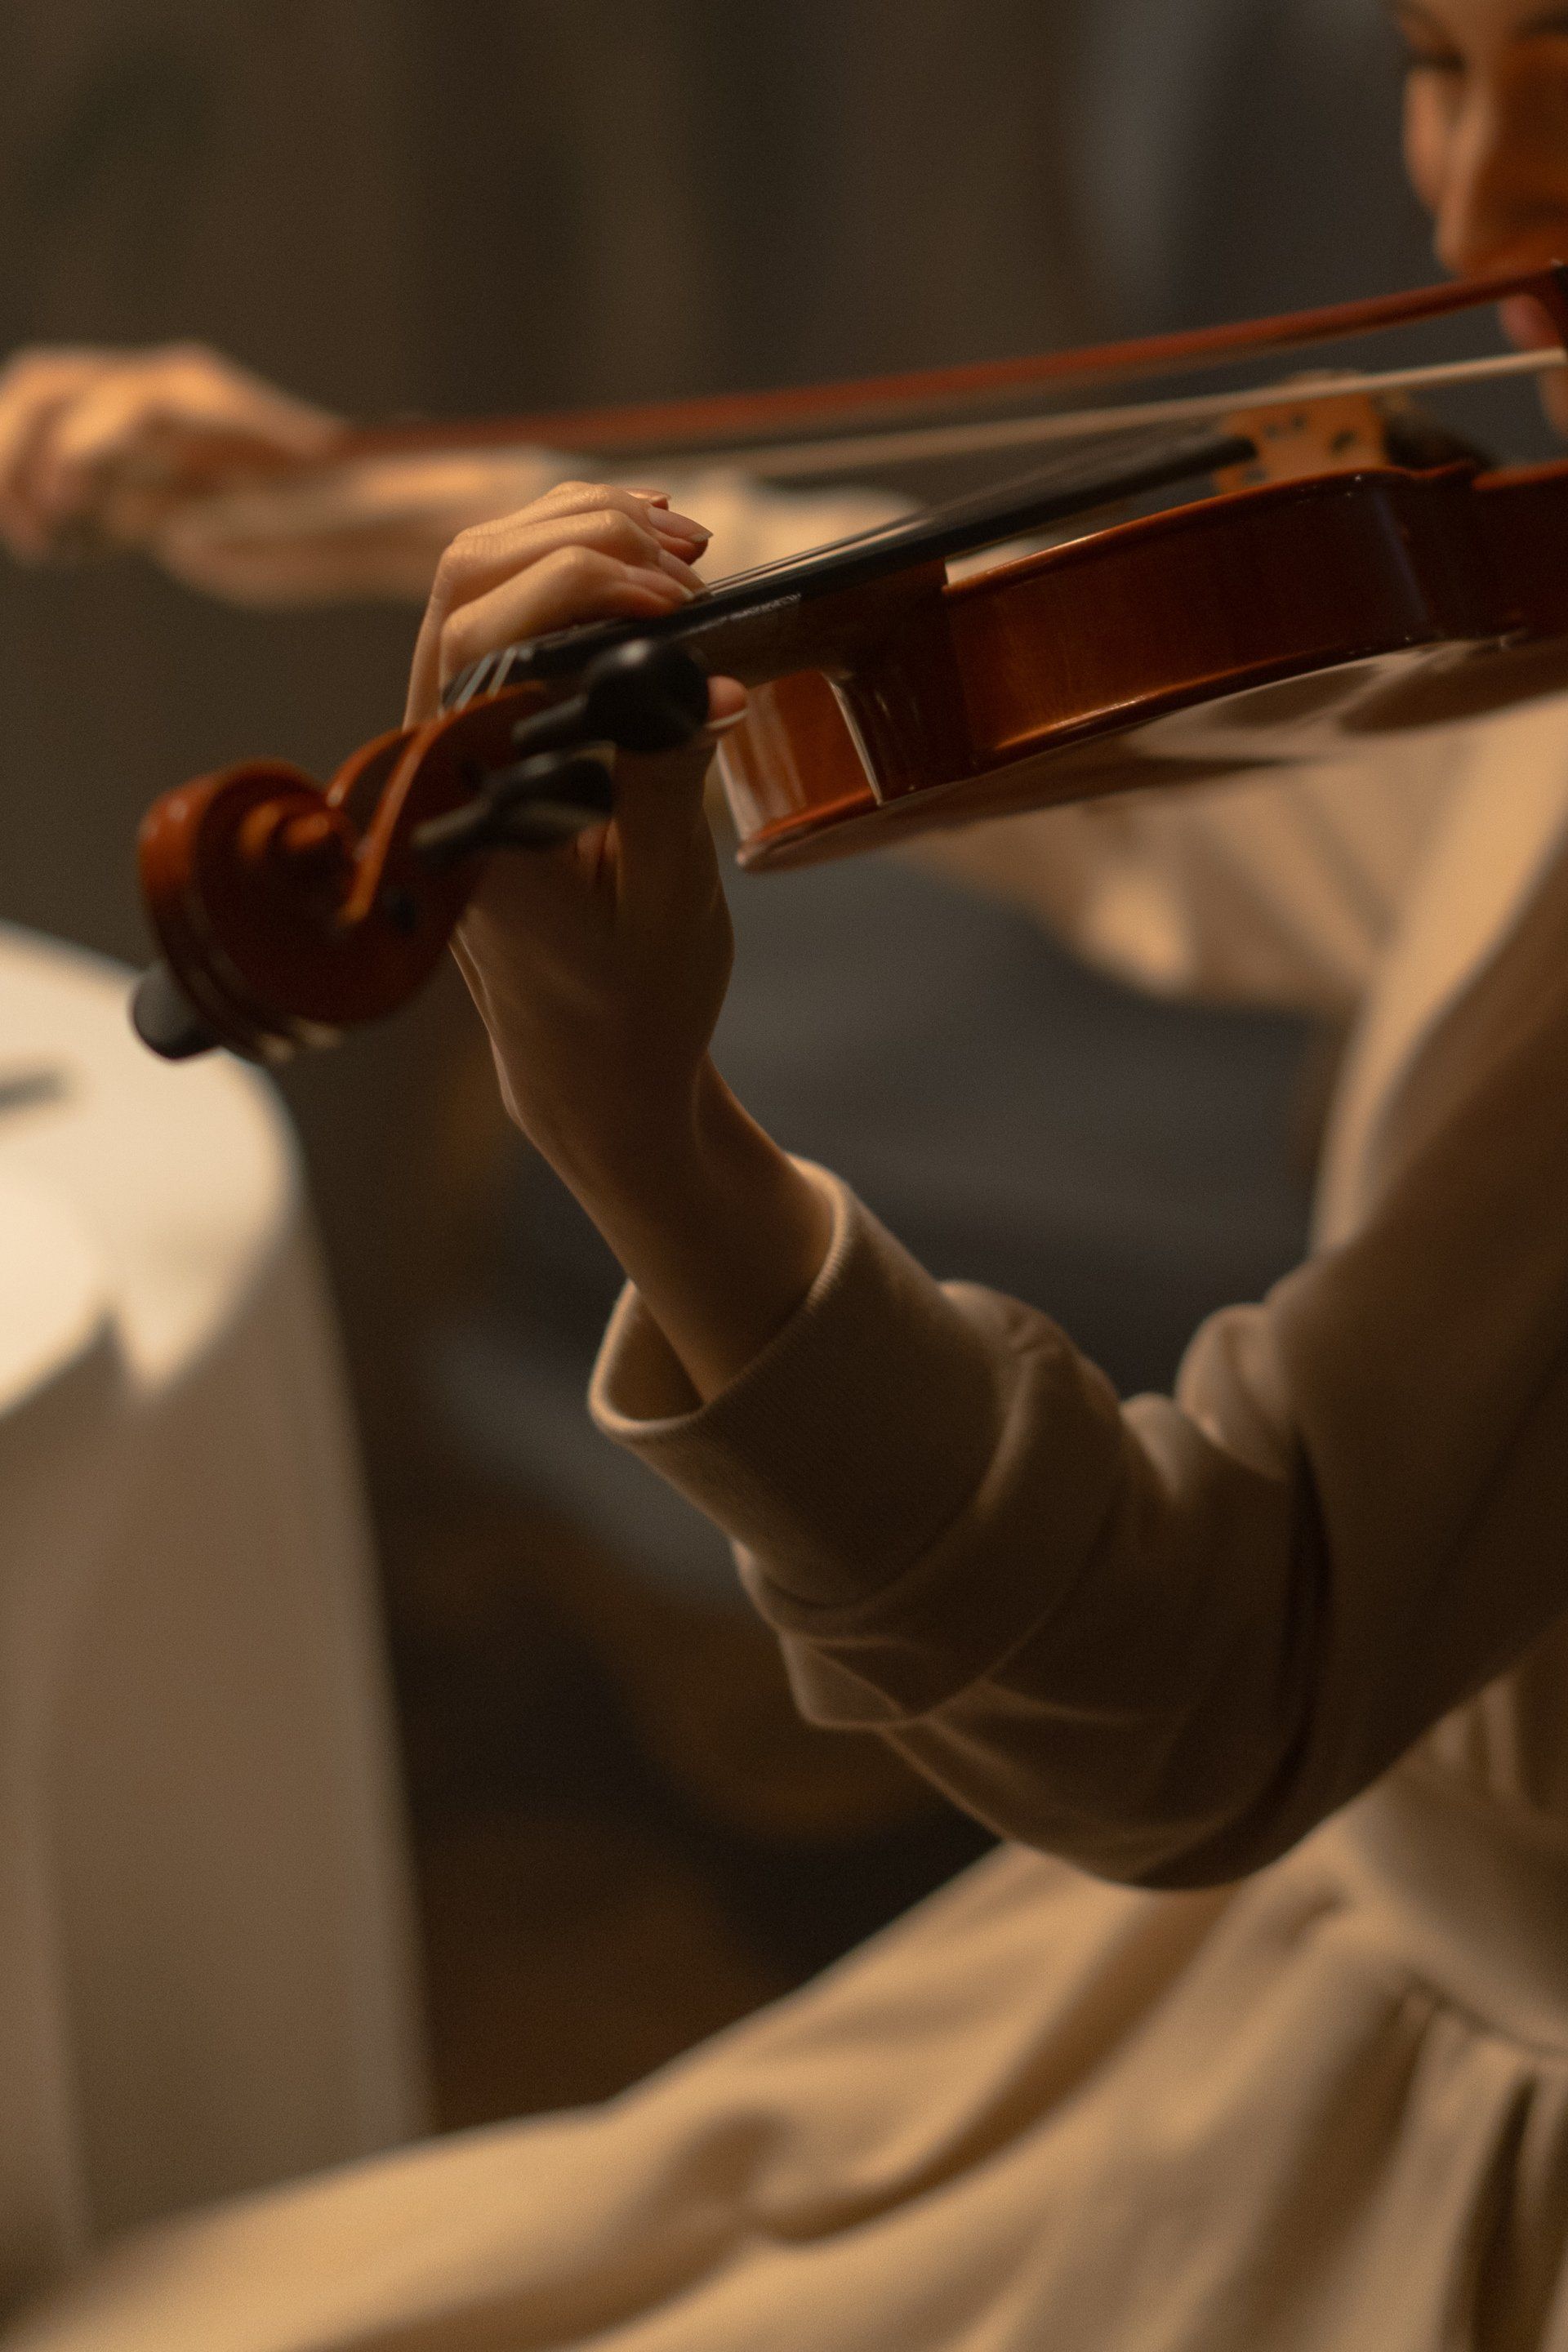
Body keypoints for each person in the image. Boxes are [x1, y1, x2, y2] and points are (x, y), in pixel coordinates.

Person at [6, 0, 1568, 2345]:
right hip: (1289, 1947)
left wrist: (658, 1148)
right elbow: (1334, 788)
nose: (1477, 211)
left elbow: (1201, 1680)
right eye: (1442, 63)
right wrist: (389, 499)